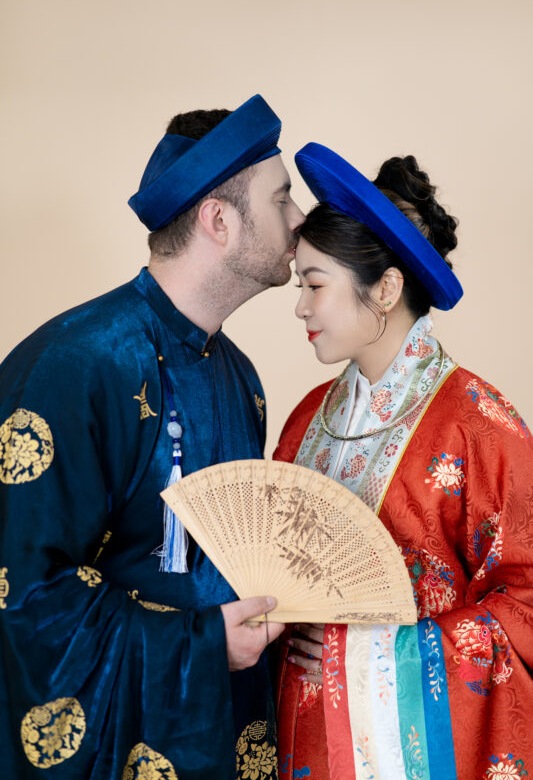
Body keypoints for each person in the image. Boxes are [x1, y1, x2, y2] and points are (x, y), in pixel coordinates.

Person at [0, 94, 304, 778]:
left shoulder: (240, 377)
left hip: (224, 735)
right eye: (282, 197)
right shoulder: (77, 364)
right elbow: (25, 595)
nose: (298, 218)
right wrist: (201, 642)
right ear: (219, 220)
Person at [273, 143, 533, 780]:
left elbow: (526, 600)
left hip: (417, 747)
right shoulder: (307, 420)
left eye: (315, 285)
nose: (301, 306)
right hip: (306, 740)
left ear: (386, 288)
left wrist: (376, 653)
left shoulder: (478, 424)